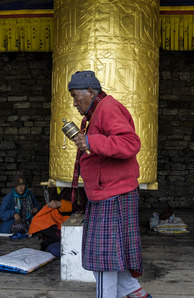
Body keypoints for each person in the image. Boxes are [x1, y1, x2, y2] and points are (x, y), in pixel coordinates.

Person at [68, 71, 151, 298]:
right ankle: (138, 294)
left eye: (76, 97)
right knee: (107, 258)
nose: (74, 103)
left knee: (103, 261)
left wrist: (90, 141)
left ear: (91, 92)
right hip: (105, 194)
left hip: (113, 195)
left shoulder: (108, 108)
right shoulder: (95, 113)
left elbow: (130, 143)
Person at [28, 187, 74, 257]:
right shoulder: (52, 188)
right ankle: (49, 238)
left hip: (69, 216)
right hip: (54, 215)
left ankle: (48, 241)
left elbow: (79, 205)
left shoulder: (75, 189)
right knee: (37, 220)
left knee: (58, 250)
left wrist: (61, 203)